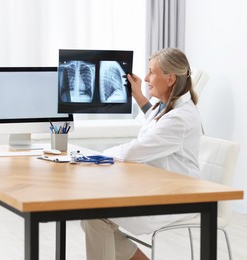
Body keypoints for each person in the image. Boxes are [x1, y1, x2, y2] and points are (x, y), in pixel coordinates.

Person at [80, 48, 202, 260]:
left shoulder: (179, 118)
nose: (146, 78)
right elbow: (154, 120)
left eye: (151, 72)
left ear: (171, 78)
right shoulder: (168, 107)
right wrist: (138, 95)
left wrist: (98, 155)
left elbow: (134, 151)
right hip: (158, 186)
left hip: (175, 198)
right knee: (91, 215)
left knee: (95, 216)